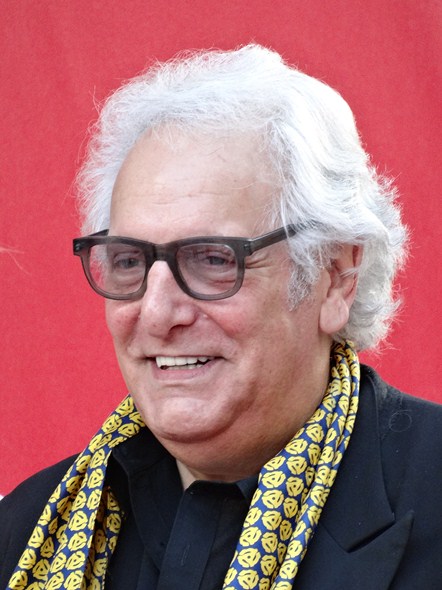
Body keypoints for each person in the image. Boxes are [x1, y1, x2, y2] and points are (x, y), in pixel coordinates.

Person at [1, 44, 441, 590]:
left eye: (213, 259)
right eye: (130, 261)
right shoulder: (27, 531)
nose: (156, 313)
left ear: (335, 277)